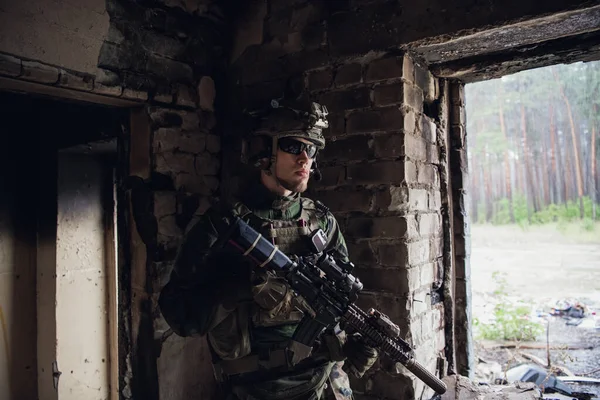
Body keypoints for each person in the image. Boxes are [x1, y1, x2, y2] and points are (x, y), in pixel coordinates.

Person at [158, 100, 378, 400]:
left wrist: (352, 342)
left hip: (322, 385)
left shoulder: (322, 222)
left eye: (311, 149)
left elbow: (335, 304)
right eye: (292, 146)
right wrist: (241, 287)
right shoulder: (224, 224)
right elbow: (180, 314)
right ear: (264, 152)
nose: (304, 158)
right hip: (254, 389)